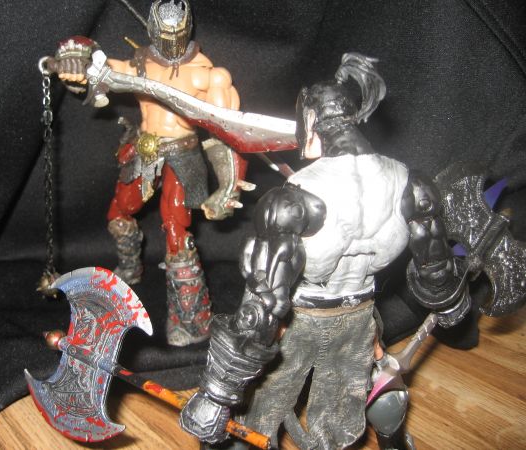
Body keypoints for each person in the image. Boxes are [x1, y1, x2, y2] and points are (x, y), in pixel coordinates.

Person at [179, 54, 472, 449]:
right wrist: (452, 302)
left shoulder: (293, 200)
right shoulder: (411, 185)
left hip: (301, 325)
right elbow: (436, 268)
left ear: (311, 124)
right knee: (340, 426)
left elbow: (261, 306)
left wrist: (216, 395)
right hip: (359, 318)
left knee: (254, 423)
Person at [53, 0, 248, 346]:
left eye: (177, 34)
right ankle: (130, 267)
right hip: (144, 150)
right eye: (165, 34)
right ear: (154, 31)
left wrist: (227, 185)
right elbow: (99, 69)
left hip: (182, 153)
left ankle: (192, 320)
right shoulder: (140, 63)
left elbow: (228, 133)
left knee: (176, 229)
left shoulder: (208, 75)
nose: (172, 42)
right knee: (119, 212)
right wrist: (76, 60)